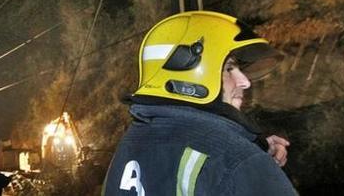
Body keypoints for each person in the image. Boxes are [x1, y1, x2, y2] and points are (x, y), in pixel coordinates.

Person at [102, 11, 297, 195]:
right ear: (190, 73)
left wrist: (257, 145)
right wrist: (252, 163)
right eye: (229, 68)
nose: (245, 82)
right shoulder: (236, 159)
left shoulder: (129, 146)